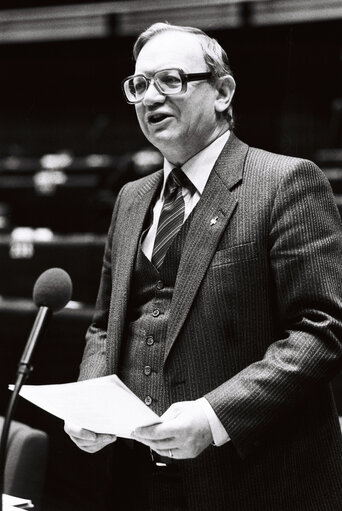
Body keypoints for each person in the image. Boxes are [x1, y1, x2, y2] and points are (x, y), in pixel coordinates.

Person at [65, 22, 342, 511]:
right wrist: (89, 398)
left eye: (171, 79)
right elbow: (105, 326)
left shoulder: (285, 182)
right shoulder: (131, 199)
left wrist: (216, 417)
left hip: (251, 479)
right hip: (136, 478)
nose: (151, 98)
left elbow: (321, 330)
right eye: (140, 84)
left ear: (222, 92)